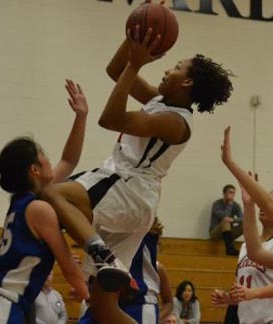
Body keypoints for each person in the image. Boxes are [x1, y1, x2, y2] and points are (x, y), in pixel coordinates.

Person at [41, 15, 233, 299]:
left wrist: (136, 63)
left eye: (177, 68)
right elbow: (115, 69)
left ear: (187, 82)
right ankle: (102, 255)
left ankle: (97, 251)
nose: (167, 70)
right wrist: (137, 37)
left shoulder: (176, 122)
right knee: (102, 305)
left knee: (51, 194)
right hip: (130, 196)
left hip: (129, 190)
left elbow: (110, 119)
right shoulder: (159, 100)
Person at [0, 79, 90, 323]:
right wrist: (89, 294)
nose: (50, 160)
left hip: (6, 304)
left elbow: (69, 160)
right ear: (34, 169)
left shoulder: (30, 201)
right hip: (1, 303)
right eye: (44, 156)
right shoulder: (39, 208)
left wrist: (81, 117)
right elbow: (65, 260)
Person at [79, 217, 173, 324]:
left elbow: (169, 302)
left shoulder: (141, 232)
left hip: (137, 304)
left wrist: (157, 318)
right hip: (101, 303)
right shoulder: (105, 239)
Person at [211, 174, 273, 324]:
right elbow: (245, 290)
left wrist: (253, 293)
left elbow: (252, 292)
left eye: (268, 203)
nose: (262, 206)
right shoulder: (247, 246)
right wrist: (230, 298)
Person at [210, 184, 243, 255]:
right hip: (215, 232)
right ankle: (230, 249)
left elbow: (242, 218)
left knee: (246, 224)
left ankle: (248, 249)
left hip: (229, 233)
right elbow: (224, 216)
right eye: (230, 192)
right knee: (226, 221)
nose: (232, 194)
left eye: (233, 193)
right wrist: (230, 204)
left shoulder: (236, 205)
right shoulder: (216, 204)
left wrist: (233, 220)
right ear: (224, 193)